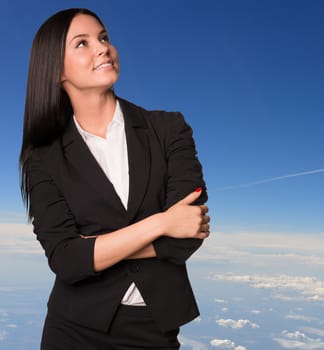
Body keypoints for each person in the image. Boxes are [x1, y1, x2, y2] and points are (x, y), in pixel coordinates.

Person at [19, 8, 211, 349]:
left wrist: (90, 249)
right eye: (82, 43)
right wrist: (161, 223)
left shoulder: (169, 129)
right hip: (72, 329)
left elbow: (187, 233)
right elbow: (65, 261)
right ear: (56, 70)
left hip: (154, 327)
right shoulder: (43, 157)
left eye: (104, 38)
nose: (103, 48)